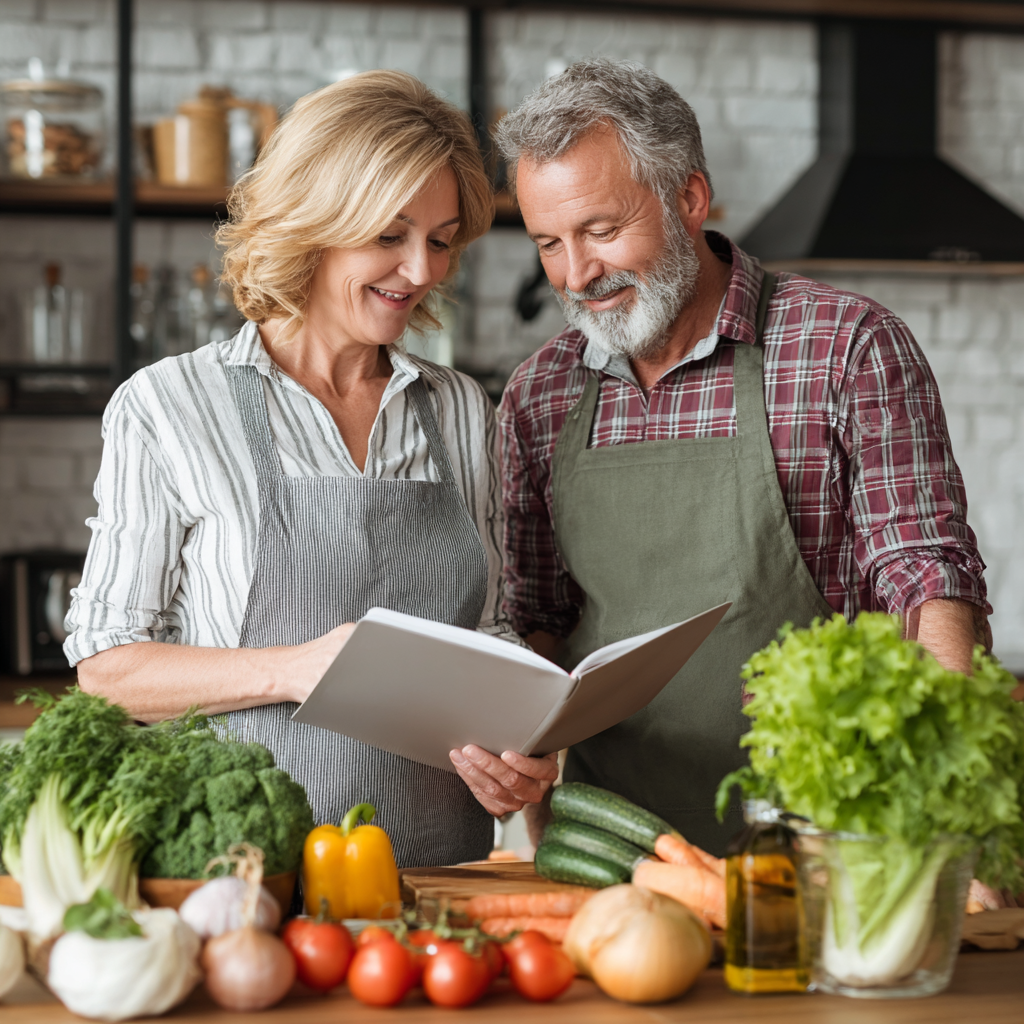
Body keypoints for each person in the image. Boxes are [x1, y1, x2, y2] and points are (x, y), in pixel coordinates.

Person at [448, 58, 992, 854]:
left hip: (832, 842)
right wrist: (512, 751)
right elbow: (539, 623)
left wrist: (948, 808)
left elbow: (925, 572)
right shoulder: (540, 393)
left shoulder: (844, 346)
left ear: (689, 198)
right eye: (548, 243)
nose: (577, 273)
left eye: (601, 230)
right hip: (621, 860)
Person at [65, 71, 535, 868]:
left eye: (442, 238)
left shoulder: (458, 408)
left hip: (440, 870)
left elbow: (487, 629)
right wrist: (297, 668)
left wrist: (516, 745)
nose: (421, 270)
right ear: (315, 221)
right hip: (240, 876)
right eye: (390, 234)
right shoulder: (170, 403)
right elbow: (109, 669)